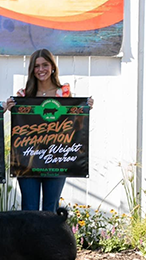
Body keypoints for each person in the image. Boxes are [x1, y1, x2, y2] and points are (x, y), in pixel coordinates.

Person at [6, 49, 94, 213]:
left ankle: (50, 240)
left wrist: (84, 107)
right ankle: (28, 240)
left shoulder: (65, 94)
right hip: (28, 160)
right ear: (32, 70)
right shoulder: (23, 95)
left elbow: (73, 124)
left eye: (45, 65)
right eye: (37, 66)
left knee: (50, 211)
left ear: (52, 67)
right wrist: (10, 108)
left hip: (57, 159)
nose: (41, 69)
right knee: (29, 210)